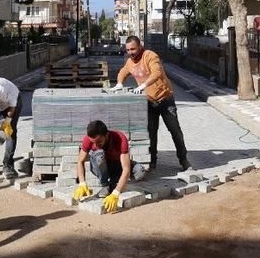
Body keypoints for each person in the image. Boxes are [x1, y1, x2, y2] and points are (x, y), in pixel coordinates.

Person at [110, 35, 192, 171]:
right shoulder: (130, 62)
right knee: (151, 132)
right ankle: (152, 161)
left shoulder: (150, 56)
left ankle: (183, 159)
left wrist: (143, 85)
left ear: (140, 46)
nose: (131, 52)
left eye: (133, 49)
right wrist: (119, 83)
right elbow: (123, 71)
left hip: (165, 99)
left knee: (175, 130)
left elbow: (157, 73)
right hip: (148, 102)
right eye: (128, 50)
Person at [72, 120, 131, 213]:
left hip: (117, 164)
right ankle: (106, 184)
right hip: (101, 165)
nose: (96, 144)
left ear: (106, 134)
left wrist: (116, 194)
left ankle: (114, 184)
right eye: (93, 142)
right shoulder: (88, 139)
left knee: (139, 172)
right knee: (99, 154)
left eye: (99, 141)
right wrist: (82, 183)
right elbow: (80, 161)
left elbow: (126, 169)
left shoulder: (120, 138)